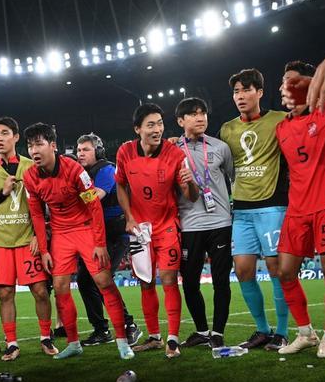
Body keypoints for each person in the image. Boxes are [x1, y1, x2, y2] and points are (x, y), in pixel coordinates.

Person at [23, 123, 134, 360]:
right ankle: (73, 343)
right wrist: (44, 249)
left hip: (85, 229)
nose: (34, 150)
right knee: (60, 287)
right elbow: (36, 214)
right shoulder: (30, 176)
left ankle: (122, 341)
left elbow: (93, 205)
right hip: (61, 235)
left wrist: (100, 243)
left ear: (53, 146)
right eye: (30, 145)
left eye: (39, 144)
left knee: (103, 281)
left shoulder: (73, 169)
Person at [275, 61, 325, 358]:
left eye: (295, 82)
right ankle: (306, 334)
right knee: (285, 273)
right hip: (296, 209)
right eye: (285, 83)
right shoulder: (280, 127)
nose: (288, 88)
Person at [116, 103, 199, 358]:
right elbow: (120, 186)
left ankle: (172, 339)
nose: (157, 129)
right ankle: (154, 336)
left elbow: (192, 196)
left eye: (160, 123)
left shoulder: (175, 154)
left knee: (169, 279)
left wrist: (191, 183)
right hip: (139, 231)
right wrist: (129, 218)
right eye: (150, 125)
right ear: (137, 129)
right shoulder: (125, 152)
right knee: (145, 282)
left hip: (167, 227)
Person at [219, 68, 290, 350]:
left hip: (272, 206)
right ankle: (262, 329)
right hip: (241, 210)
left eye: (246, 90)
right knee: (243, 269)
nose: (240, 96)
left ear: (259, 92)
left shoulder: (280, 119)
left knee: (276, 269)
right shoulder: (227, 129)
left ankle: (282, 331)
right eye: (236, 91)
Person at [0, 117, 56, 361]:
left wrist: (40, 234)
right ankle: (11, 344)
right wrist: (3, 192)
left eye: (5, 133)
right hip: (0, 243)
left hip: (27, 241)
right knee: (5, 294)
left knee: (41, 292)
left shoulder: (32, 165)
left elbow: (47, 202)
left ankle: (46, 338)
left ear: (16, 137)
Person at [174, 97, 234, 349]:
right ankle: (201, 331)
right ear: (180, 121)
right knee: (189, 283)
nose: (200, 118)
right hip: (189, 225)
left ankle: (217, 332)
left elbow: (232, 178)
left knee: (221, 281)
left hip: (220, 223)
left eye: (203, 113)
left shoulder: (220, 147)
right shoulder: (172, 150)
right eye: (193, 114)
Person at [75, 133, 141, 346]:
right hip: (95, 235)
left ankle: (129, 325)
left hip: (115, 234)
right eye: (78, 150)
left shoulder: (106, 169)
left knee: (102, 278)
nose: (80, 153)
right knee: (85, 281)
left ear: (98, 151)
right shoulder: (82, 173)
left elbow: (95, 196)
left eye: (86, 149)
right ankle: (101, 330)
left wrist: (69, 199)